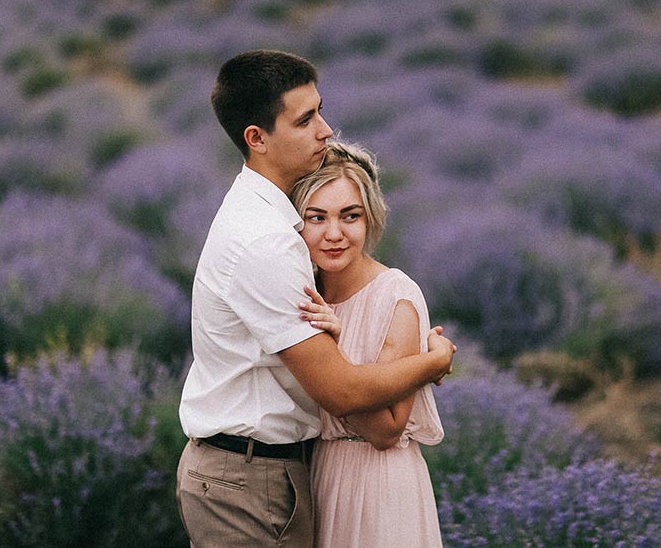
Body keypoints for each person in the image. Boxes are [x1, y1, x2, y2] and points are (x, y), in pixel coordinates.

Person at [176, 50, 455, 548]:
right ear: (256, 139)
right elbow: (342, 393)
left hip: (273, 472)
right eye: (305, 120)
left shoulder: (270, 226)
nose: (326, 130)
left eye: (320, 110)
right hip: (248, 477)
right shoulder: (266, 241)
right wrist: (433, 362)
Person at [290, 140, 444, 548]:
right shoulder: (300, 291)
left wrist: (332, 350)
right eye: (316, 217)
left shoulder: (396, 296)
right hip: (320, 477)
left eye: (350, 216)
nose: (334, 234)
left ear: (370, 219)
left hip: (380, 485)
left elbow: (386, 431)